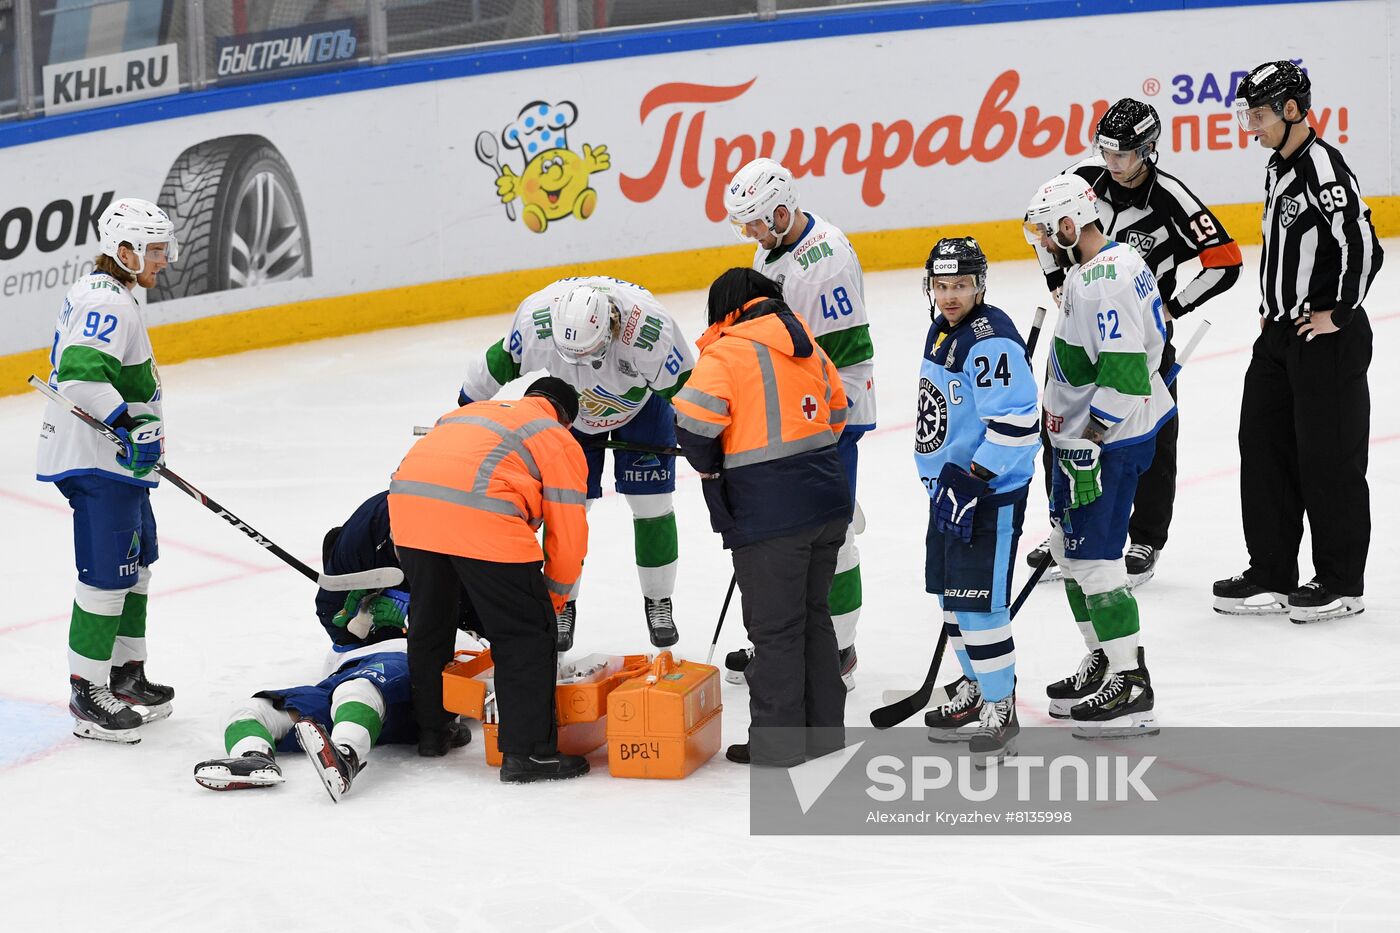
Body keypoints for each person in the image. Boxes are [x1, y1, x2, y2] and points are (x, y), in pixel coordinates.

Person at [1025, 99, 1243, 586]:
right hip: (1082, 335)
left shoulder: (1172, 198)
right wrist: (1055, 281)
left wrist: (1174, 306)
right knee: (1058, 426)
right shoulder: (1082, 177)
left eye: (1122, 154)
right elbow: (1040, 225)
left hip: (1139, 341)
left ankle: (1145, 537)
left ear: (1148, 149)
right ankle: (1065, 524)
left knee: (1153, 439)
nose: (1112, 163)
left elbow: (1226, 260)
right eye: (1105, 151)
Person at [1215, 61, 1382, 623]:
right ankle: (1272, 570)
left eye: (1258, 115)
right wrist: (1270, 313)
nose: (1250, 127)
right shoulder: (1277, 166)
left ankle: (1340, 581)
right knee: (1262, 447)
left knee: (1328, 459)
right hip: (1281, 335)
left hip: (1325, 338)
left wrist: (1340, 310)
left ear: (1291, 110)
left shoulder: (1325, 170)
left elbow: (1363, 244)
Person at [673, 268, 851, 767]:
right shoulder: (807, 342)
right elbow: (837, 414)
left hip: (771, 512)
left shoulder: (727, 350)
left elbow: (691, 423)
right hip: (826, 500)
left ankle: (778, 742)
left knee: (775, 631)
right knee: (815, 618)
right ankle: (824, 733)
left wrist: (713, 467)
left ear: (727, 308)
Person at [458, 276, 693, 650]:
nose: (583, 365)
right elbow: (499, 362)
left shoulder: (650, 330)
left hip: (642, 410)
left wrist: (706, 440)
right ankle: (563, 601)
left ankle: (658, 599)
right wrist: (465, 414)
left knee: (652, 507)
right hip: (571, 416)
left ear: (611, 328)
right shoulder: (537, 319)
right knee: (566, 512)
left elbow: (687, 389)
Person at [192, 491, 472, 801]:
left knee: (359, 689)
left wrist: (417, 612)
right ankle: (254, 758)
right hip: (349, 670)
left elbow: (486, 651)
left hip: (408, 669)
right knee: (250, 710)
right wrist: (355, 620)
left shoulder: (456, 610)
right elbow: (335, 619)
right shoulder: (366, 532)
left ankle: (345, 755)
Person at [1023, 174, 1175, 739]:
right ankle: (1107, 661)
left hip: (1105, 445)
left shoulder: (1100, 282)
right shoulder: (1104, 268)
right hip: (1086, 439)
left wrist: (1090, 440)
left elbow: (1125, 374)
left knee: (1096, 563)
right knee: (1071, 553)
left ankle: (1132, 684)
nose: (1041, 242)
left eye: (1046, 231)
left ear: (1070, 224)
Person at [390, 378, 592, 783]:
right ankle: (528, 753)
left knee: (432, 620)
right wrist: (552, 599)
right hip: (482, 516)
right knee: (525, 634)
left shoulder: (469, 412)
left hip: (408, 515)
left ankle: (433, 729)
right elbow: (568, 536)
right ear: (567, 419)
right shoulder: (556, 437)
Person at [722, 158, 874, 688]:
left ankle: (840, 651)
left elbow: (837, 356)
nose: (751, 234)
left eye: (756, 223)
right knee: (797, 532)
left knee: (833, 535)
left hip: (834, 412)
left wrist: (805, 421)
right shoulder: (776, 242)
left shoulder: (824, 260)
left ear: (782, 210)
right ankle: (802, 642)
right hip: (802, 410)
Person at [36, 198, 178, 745]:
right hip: (100, 463)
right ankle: (87, 691)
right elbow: (77, 377)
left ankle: (125, 675)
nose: (164, 260)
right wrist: (126, 424)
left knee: (137, 566)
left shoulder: (115, 293)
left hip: (119, 463)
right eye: (156, 249)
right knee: (105, 574)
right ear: (126, 250)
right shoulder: (107, 301)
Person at [914, 238, 1040, 761]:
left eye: (960, 286)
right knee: (953, 601)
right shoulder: (944, 328)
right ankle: (975, 691)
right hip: (952, 493)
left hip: (985, 496)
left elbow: (1018, 425)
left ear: (979, 285)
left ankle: (1000, 707)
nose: (949, 296)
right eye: (941, 286)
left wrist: (974, 479)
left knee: (981, 608)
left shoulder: (988, 341)